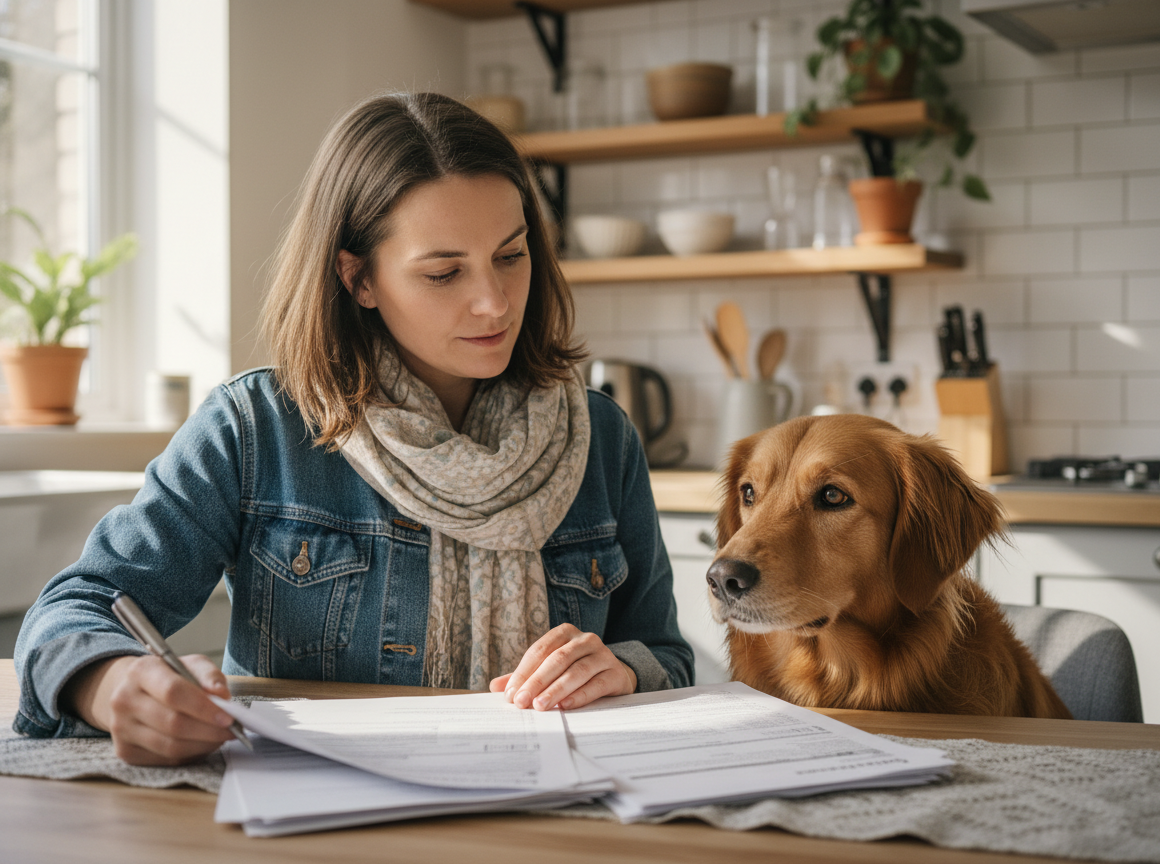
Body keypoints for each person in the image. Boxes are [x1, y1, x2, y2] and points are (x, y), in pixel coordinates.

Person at [13, 91, 693, 765]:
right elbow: (74, 610)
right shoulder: (254, 430)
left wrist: (624, 670)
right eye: (445, 271)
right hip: (317, 815)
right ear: (358, 278)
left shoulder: (600, 438)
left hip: (552, 815)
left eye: (511, 256)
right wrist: (114, 686)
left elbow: (666, 653)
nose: (493, 302)